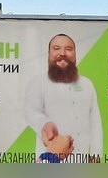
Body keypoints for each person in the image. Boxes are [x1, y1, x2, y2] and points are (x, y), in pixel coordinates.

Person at [26, 32, 103, 162]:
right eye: (56, 49)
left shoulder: (86, 84)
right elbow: (31, 111)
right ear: (49, 54)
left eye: (68, 49)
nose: (62, 53)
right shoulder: (38, 82)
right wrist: (45, 124)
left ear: (75, 55)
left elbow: (95, 122)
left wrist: (96, 154)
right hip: (49, 162)